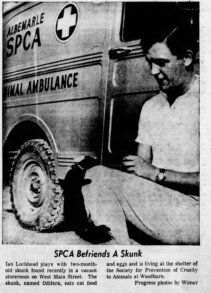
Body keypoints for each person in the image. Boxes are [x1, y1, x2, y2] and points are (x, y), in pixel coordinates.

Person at [71, 25, 199, 245]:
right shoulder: (152, 106)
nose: (153, 72)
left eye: (160, 63)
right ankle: (123, 258)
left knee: (100, 180)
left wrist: (157, 174)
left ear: (186, 58)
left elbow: (150, 172)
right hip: (160, 203)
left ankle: (121, 256)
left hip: (197, 211)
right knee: (93, 176)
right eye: (149, 62)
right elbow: (141, 168)